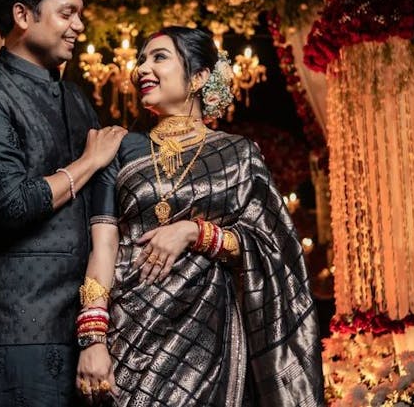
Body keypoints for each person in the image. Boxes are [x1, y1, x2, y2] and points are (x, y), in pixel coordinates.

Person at [74, 26, 324, 406]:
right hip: (129, 329)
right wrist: (93, 337)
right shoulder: (121, 148)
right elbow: (104, 247)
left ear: (198, 76)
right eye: (141, 59)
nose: (142, 68)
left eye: (158, 57)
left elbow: (274, 247)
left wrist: (194, 232)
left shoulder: (239, 155)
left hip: (207, 336)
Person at [0, 0, 127, 407]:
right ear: (23, 15)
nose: (79, 26)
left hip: (83, 335)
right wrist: (88, 162)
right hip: (13, 339)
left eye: (80, 13)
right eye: (67, 13)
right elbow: (10, 204)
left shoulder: (77, 100)